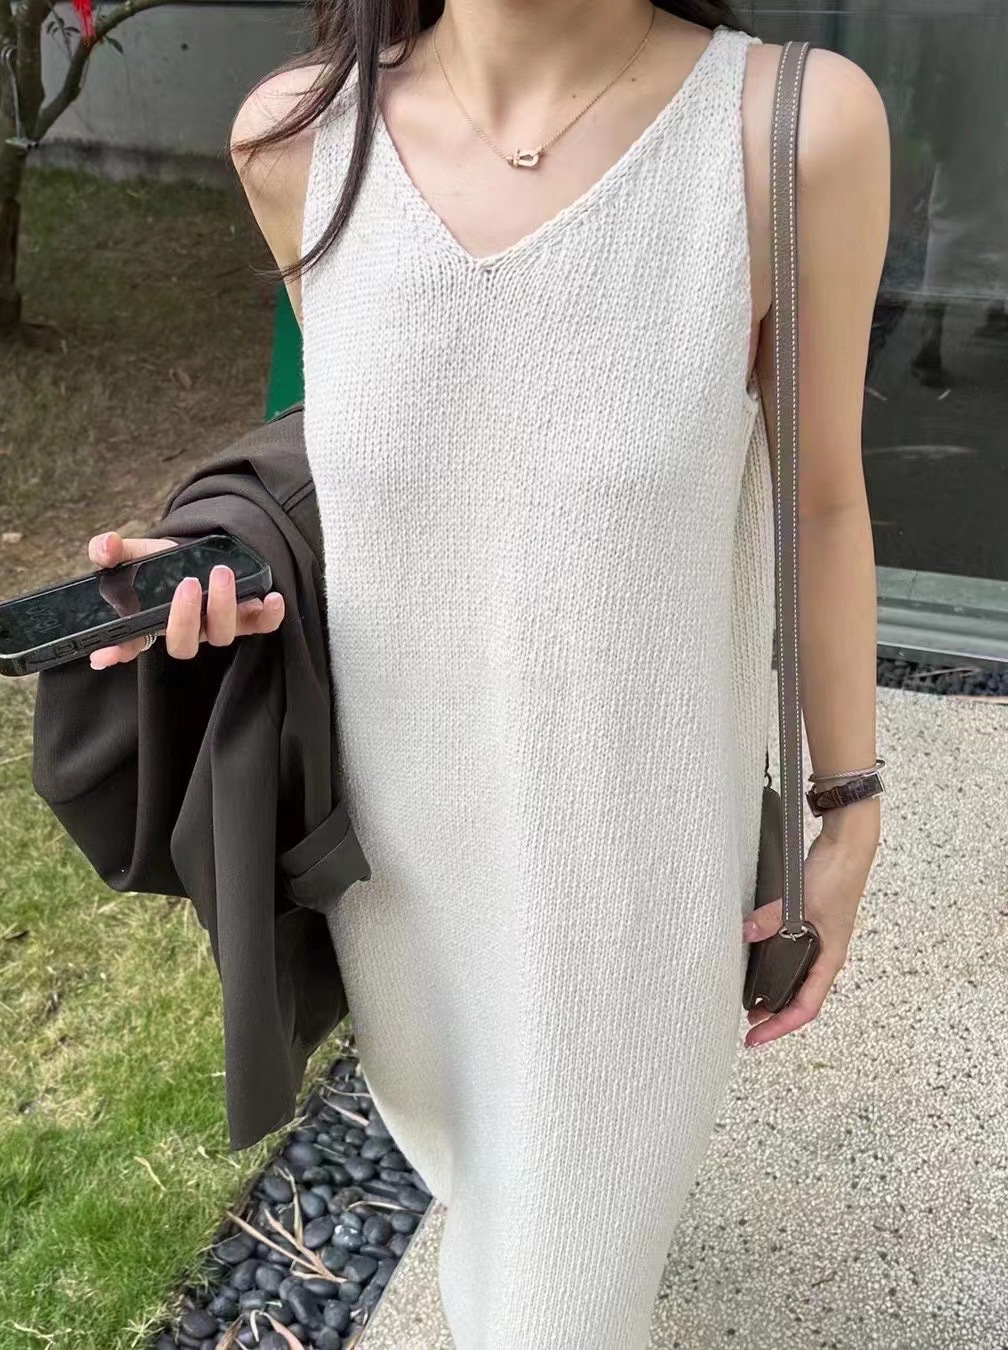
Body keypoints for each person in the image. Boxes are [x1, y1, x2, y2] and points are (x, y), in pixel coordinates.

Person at [87, 3, 889, 1344]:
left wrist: (849, 812)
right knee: (502, 1210)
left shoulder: (790, 132)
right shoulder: (295, 140)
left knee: (549, 1303)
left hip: (636, 885)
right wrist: (229, 562)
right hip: (403, 881)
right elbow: (393, 451)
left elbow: (823, 502)